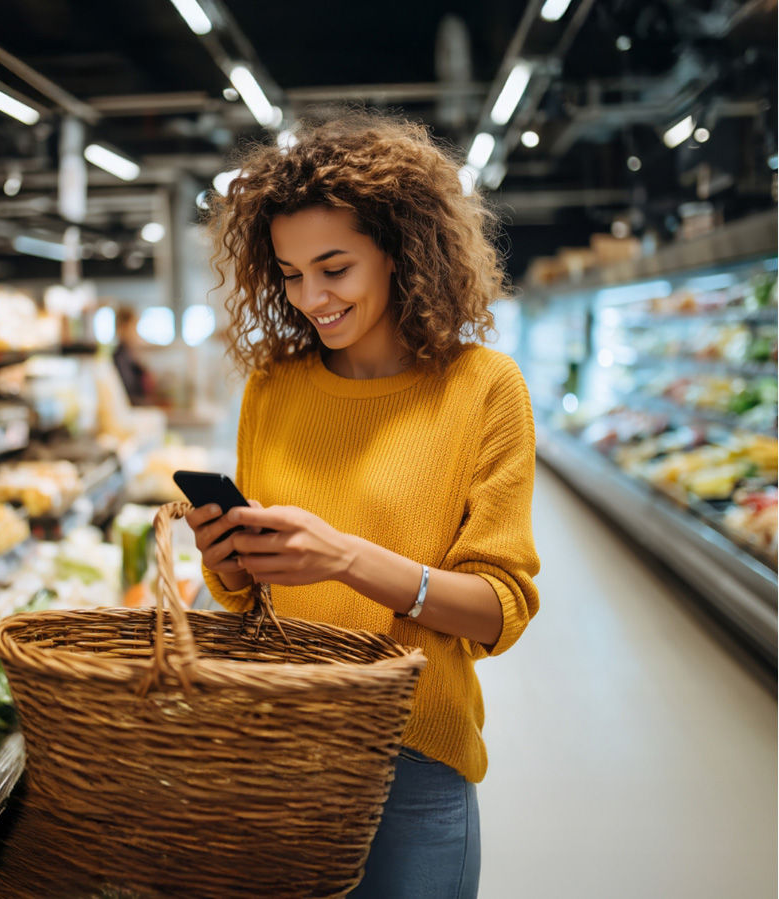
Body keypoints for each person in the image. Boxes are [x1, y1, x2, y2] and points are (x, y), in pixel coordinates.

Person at [185, 112, 540, 899]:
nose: (311, 297)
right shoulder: (273, 388)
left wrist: (346, 557)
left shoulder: (483, 388)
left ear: (399, 251)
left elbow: (499, 610)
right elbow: (245, 596)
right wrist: (227, 560)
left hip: (413, 753)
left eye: (334, 267)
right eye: (287, 272)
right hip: (277, 743)